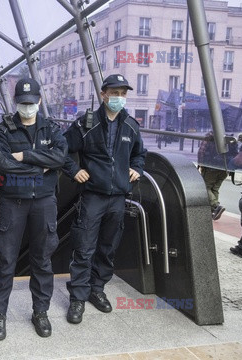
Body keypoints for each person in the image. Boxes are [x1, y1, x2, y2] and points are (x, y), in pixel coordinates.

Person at [62, 74, 146, 323]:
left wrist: (137, 169)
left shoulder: (131, 125)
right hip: (92, 197)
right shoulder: (86, 124)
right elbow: (61, 149)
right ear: (103, 94)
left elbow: (139, 154)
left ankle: (96, 289)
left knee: (108, 248)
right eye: (114, 93)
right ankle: (78, 297)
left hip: (118, 197)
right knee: (84, 248)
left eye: (123, 93)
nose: (119, 98)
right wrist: (74, 170)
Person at [0, 78, 68, 340]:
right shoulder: (3, 130)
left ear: (40, 102)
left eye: (32, 103)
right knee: (5, 261)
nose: (27, 107)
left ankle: (40, 312)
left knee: (42, 260)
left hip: (44, 202)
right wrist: (40, 167)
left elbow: (60, 157)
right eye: (22, 103)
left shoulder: (51, 129)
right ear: (16, 103)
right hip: (13, 203)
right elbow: (2, 164)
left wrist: (23, 156)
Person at [197, 131, 237, 220]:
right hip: (225, 168)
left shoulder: (210, 135)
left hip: (211, 167)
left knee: (205, 187)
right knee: (215, 189)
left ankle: (216, 206)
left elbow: (201, 151)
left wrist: (201, 164)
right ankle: (213, 211)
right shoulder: (229, 136)